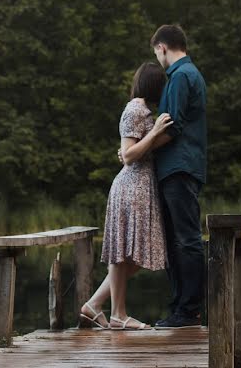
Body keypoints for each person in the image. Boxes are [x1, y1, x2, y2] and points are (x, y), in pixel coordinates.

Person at [121, 24, 207, 329]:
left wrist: (137, 151)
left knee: (185, 239)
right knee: (175, 240)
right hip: (177, 168)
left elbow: (172, 127)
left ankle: (189, 310)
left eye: (155, 53)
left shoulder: (182, 76)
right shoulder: (185, 75)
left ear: (161, 48)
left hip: (179, 167)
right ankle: (181, 308)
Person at [79, 62, 174, 330]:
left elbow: (135, 149)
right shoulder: (135, 108)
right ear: (154, 85)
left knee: (135, 256)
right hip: (131, 189)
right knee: (124, 254)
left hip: (140, 188)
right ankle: (117, 314)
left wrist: (158, 136)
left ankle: (95, 306)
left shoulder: (143, 111)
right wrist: (155, 131)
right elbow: (130, 156)